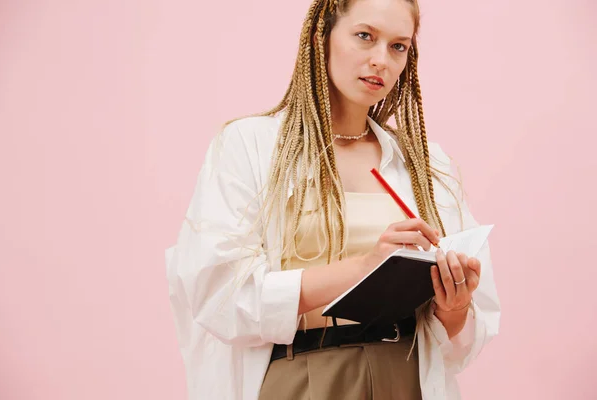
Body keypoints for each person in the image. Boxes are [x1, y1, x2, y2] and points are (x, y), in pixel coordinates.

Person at [165, 0, 501, 398]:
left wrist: (454, 304)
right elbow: (218, 296)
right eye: (365, 36)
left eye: (399, 46)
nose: (381, 60)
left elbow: (463, 337)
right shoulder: (250, 145)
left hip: (406, 377)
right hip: (303, 374)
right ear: (320, 36)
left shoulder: (427, 164)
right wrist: (364, 266)